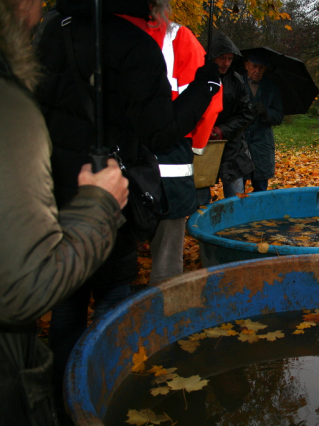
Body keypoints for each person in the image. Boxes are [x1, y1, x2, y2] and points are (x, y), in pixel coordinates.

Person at [34, 0, 219, 421]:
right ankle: (104, 394)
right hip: (108, 190)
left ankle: (62, 396)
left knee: (67, 298)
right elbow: (160, 130)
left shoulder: (51, 32)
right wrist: (204, 87)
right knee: (112, 296)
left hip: (55, 187)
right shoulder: (134, 46)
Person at [0, 0, 129, 424]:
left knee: (70, 307)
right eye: (35, 2)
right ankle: (99, 386)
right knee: (108, 293)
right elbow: (26, 286)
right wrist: (100, 202)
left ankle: (64, 380)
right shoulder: (10, 106)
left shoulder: (46, 52)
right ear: (18, 6)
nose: (39, 11)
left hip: (50, 193)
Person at [120, 5, 223, 284]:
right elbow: (212, 103)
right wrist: (198, 146)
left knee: (115, 271)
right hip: (171, 174)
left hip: (117, 171)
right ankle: (165, 322)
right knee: (166, 270)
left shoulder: (102, 30)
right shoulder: (180, 38)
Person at [196, 32, 254, 204]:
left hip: (232, 147)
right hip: (202, 145)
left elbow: (246, 113)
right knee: (200, 201)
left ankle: (235, 230)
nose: (226, 63)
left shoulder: (236, 81)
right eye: (222, 58)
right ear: (212, 57)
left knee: (235, 201)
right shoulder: (198, 77)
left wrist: (222, 130)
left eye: (229, 58)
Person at [242, 54, 284, 192]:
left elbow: (279, 116)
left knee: (260, 186)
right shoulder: (236, 84)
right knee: (237, 185)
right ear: (246, 65)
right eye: (254, 66)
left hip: (262, 143)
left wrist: (266, 111)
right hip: (240, 142)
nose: (257, 71)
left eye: (261, 68)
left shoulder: (272, 88)